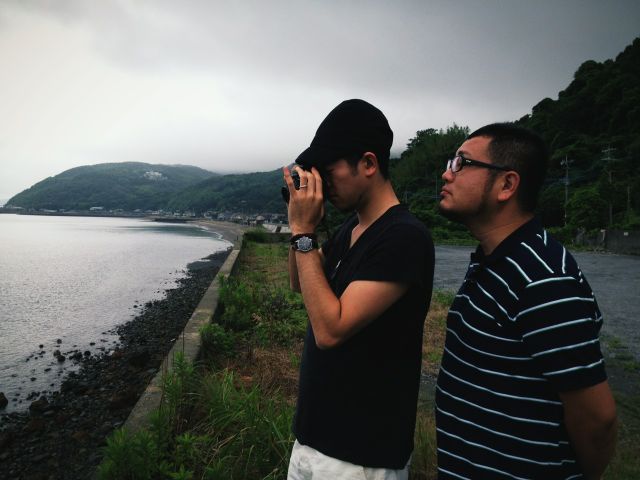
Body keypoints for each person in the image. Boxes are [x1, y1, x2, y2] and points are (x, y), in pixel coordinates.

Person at [435, 123, 617, 479]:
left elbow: (598, 419)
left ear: (507, 184)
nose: (447, 173)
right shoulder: (496, 260)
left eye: (462, 163)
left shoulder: (544, 278)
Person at [283, 99, 435, 479]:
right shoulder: (351, 228)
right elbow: (299, 284)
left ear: (368, 164)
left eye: (328, 170)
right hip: (312, 442)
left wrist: (303, 232)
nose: (322, 182)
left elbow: (330, 330)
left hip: (360, 457)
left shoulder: (403, 237)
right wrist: (300, 224)